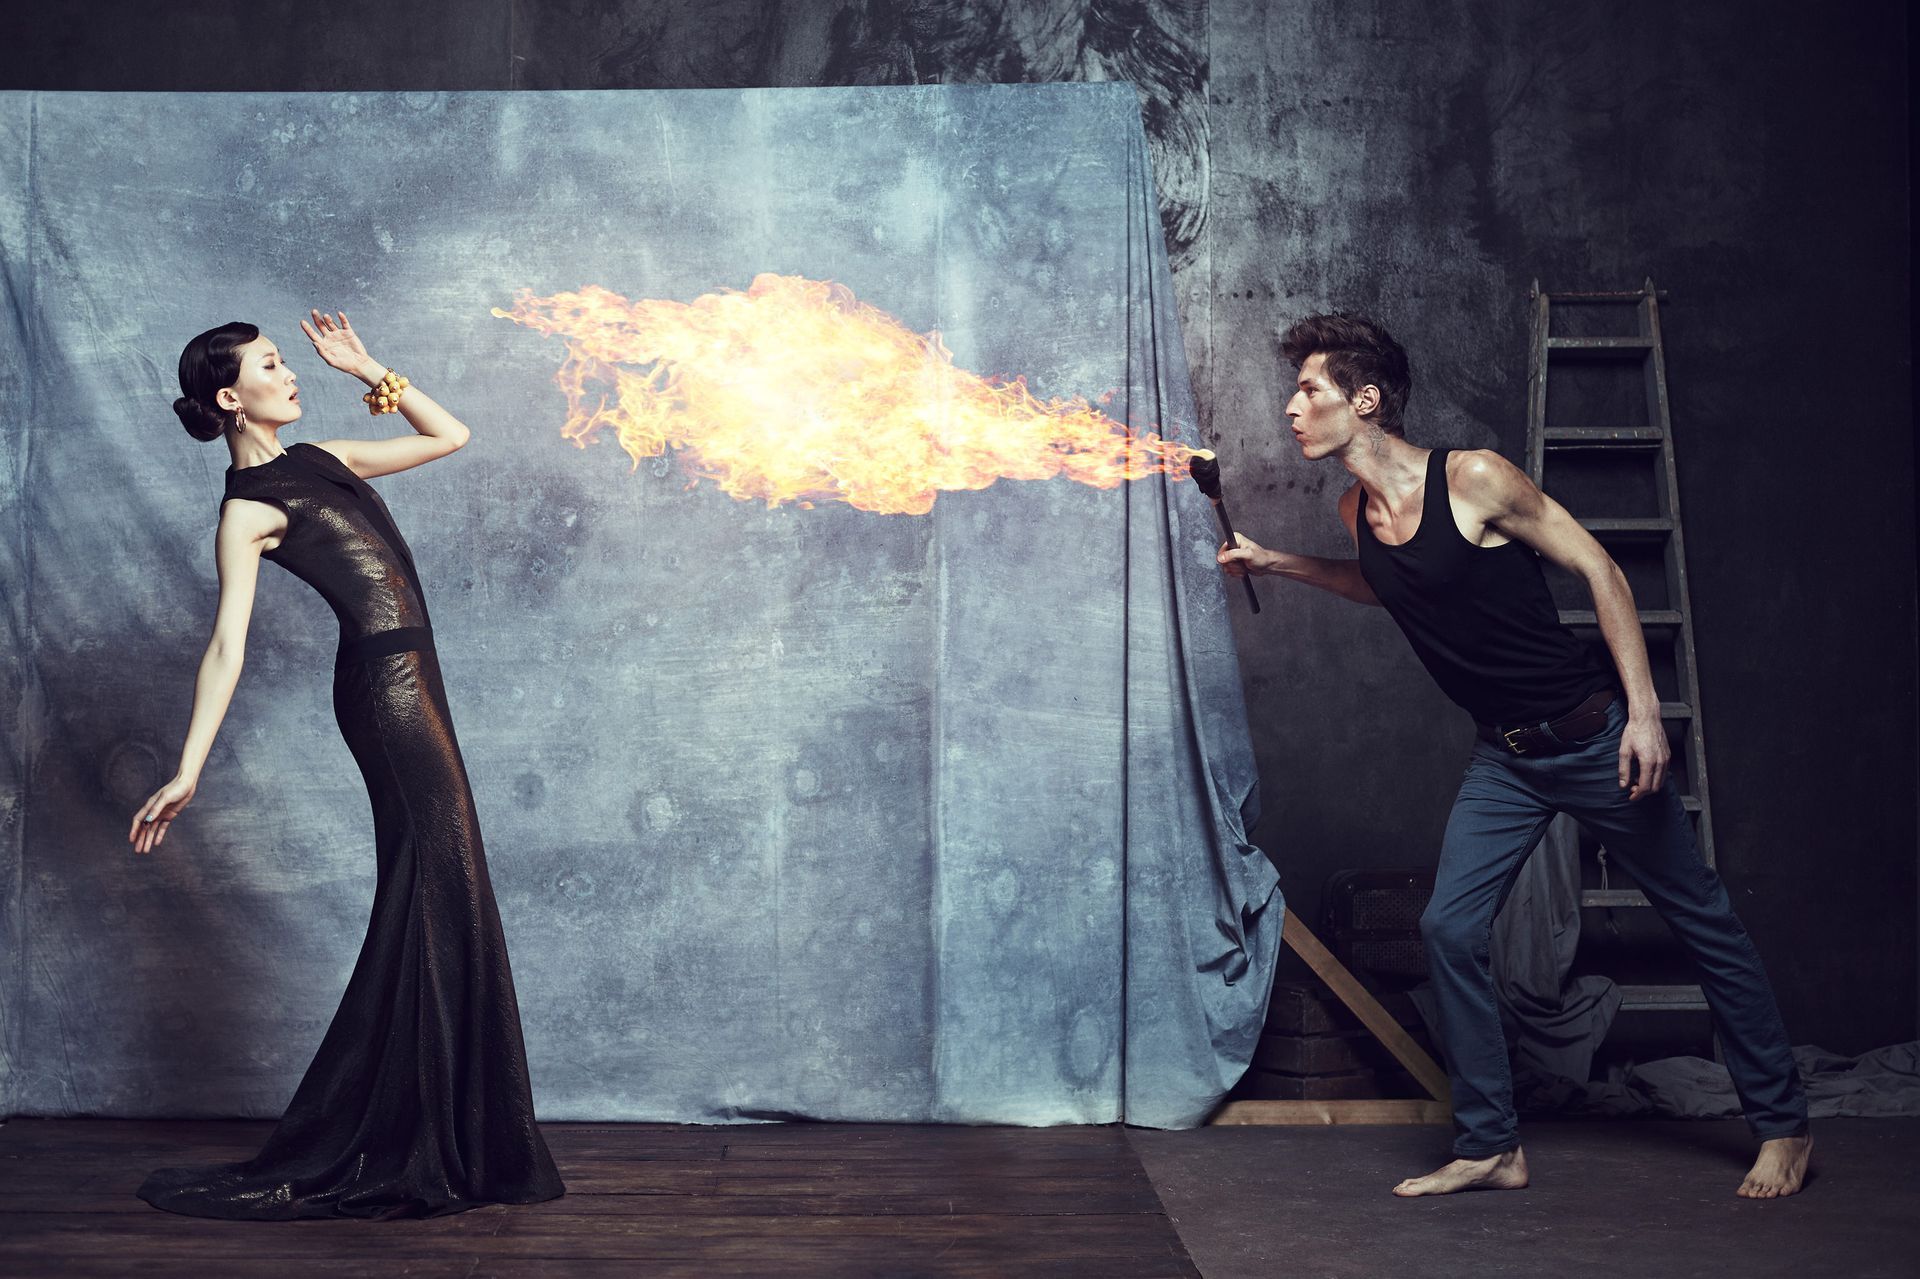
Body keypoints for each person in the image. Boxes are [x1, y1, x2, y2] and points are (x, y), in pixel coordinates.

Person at [1218, 313, 1811, 1199]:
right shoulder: (1356, 511)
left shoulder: (1476, 479)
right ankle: (1492, 1143)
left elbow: (1602, 569)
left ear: (1365, 399)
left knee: (1702, 919)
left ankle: (1784, 1126)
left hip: (1592, 736)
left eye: (1309, 389)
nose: (1291, 408)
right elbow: (1385, 584)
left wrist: (1645, 715)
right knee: (1449, 928)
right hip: (1505, 758)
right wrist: (1276, 562)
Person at [127, 311, 565, 1219]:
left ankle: (442, 1126)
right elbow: (226, 646)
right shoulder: (247, 510)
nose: (291, 374)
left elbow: (451, 435)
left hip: (417, 682)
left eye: (287, 361)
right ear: (229, 397)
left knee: (442, 885)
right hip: (383, 694)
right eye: (271, 365)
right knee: (443, 878)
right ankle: (425, 1135)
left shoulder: (324, 456)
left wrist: (369, 367)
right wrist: (189, 765)